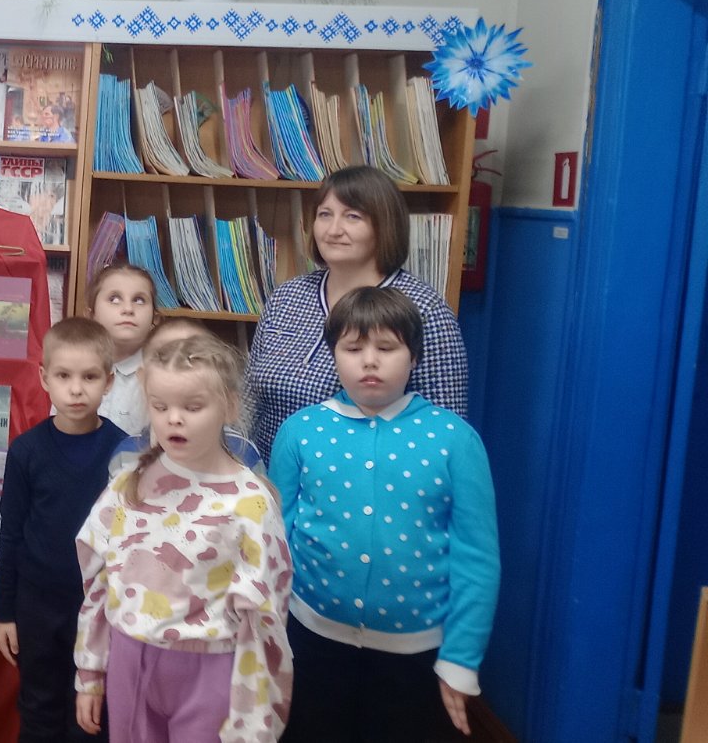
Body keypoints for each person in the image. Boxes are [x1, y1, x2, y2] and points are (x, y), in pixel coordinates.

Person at [269, 287, 499, 742]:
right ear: (333, 354)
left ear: (414, 356)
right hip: (312, 644)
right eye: (353, 348)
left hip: (416, 657)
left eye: (387, 348)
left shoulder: (455, 439)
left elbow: (477, 559)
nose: (369, 361)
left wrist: (461, 659)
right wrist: (270, 634)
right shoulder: (300, 432)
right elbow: (275, 541)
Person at [75, 335, 293, 742]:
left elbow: (266, 616)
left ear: (229, 406)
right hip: (130, 658)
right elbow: (99, 580)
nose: (174, 419)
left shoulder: (250, 502)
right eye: (160, 407)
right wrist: (90, 670)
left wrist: (254, 719)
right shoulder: (128, 485)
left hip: (211, 669)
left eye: (192, 407)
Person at [246, 165, 468, 462]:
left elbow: (444, 429)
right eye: (325, 214)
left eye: (352, 216)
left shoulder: (423, 308)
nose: (333, 230)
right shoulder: (288, 296)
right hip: (270, 473)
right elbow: (249, 397)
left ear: (384, 225)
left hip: (361, 478)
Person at [0, 318, 129, 743]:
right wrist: (4, 612)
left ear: (109, 381)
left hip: (101, 607)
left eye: (89, 377)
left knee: (92, 715)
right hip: (37, 605)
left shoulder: (126, 453)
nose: (76, 389)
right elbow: (11, 534)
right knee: (39, 708)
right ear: (44, 378)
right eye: (64, 376)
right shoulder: (26, 451)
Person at [107, 317, 263, 476]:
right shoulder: (125, 455)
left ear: (229, 405)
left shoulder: (245, 455)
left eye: (193, 353)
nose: (177, 365)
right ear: (143, 378)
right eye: (164, 355)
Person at [85, 263, 157, 437]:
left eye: (139, 300)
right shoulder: (74, 369)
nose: (128, 309)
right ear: (91, 315)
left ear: (155, 319)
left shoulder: (161, 376)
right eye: (115, 299)